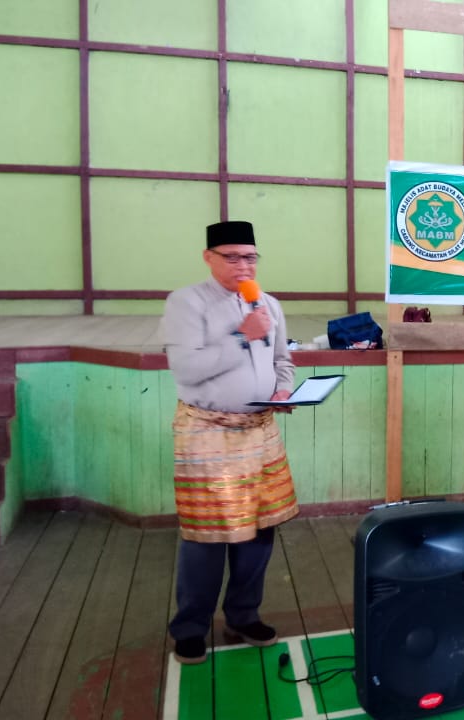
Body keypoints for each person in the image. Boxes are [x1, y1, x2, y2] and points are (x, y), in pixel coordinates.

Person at [161, 220, 299, 664]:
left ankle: (243, 615)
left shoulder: (268, 304)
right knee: (207, 535)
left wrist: (283, 390)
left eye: (251, 257)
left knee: (259, 528)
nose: (244, 265)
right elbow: (186, 369)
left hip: (260, 430)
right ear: (209, 257)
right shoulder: (187, 302)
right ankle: (190, 628)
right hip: (209, 432)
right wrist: (242, 335)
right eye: (233, 257)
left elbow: (283, 359)